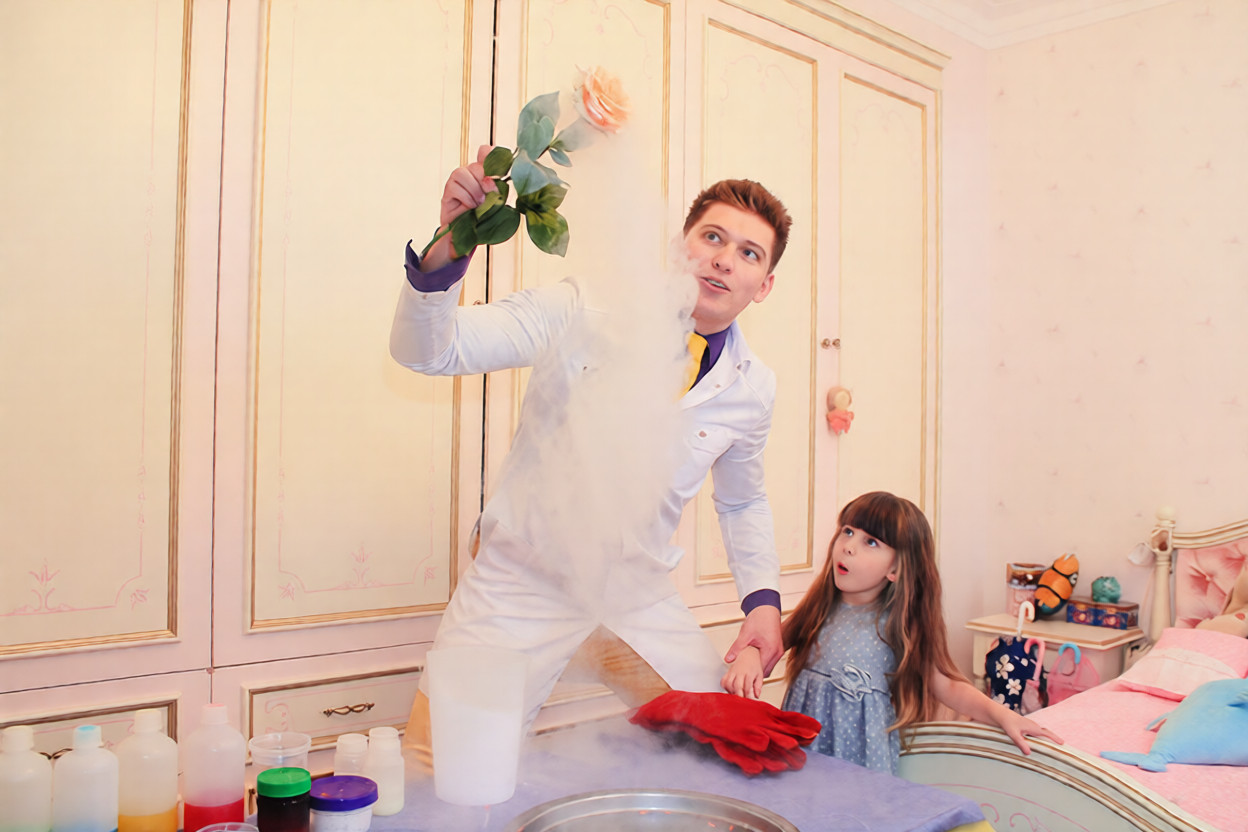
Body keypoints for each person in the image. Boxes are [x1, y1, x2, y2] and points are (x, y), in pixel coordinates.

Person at [392, 145, 793, 738]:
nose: (724, 260)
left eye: (748, 252)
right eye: (712, 237)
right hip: (521, 583)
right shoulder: (581, 307)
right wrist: (450, 245)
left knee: (729, 739)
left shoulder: (753, 388)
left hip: (634, 595)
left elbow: (742, 501)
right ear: (680, 246)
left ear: (764, 284)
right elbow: (430, 351)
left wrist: (762, 603)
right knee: (444, 766)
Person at [725, 491, 1063, 774]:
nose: (848, 546)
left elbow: (946, 684)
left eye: (870, 541)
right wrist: (750, 654)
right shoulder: (820, 607)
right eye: (847, 531)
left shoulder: (898, 624)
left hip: (860, 763)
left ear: (896, 569)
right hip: (803, 751)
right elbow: (771, 641)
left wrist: (1003, 715)